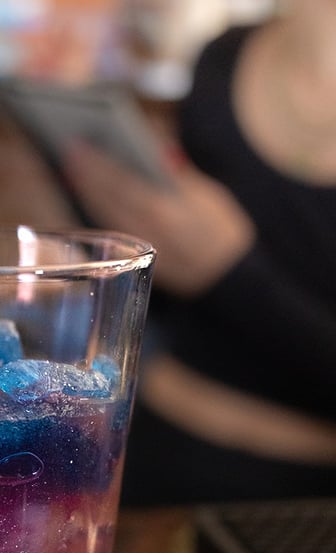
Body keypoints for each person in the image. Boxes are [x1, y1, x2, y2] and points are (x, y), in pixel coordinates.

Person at [64, 0, 336, 505]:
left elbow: (217, 276)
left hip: (305, 506)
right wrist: (117, 215)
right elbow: (172, 300)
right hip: (153, 445)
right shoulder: (225, 54)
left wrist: (230, 272)